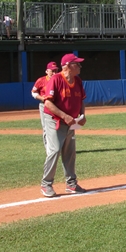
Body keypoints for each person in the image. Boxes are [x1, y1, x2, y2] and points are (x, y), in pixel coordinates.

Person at [40, 54, 87, 197]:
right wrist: (65, 116)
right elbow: (48, 103)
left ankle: (71, 184)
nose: (80, 66)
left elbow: (81, 100)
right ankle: (46, 184)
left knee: (70, 151)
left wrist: (82, 115)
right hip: (55, 119)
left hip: (71, 121)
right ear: (67, 66)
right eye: (77, 64)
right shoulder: (56, 79)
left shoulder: (77, 80)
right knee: (55, 150)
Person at [31, 61, 59, 147]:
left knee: (59, 127)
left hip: (57, 106)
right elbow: (33, 92)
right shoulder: (41, 80)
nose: (54, 73)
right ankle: (48, 148)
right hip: (44, 105)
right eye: (52, 71)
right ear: (47, 71)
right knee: (46, 128)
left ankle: (58, 146)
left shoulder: (59, 79)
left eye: (56, 70)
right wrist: (41, 98)